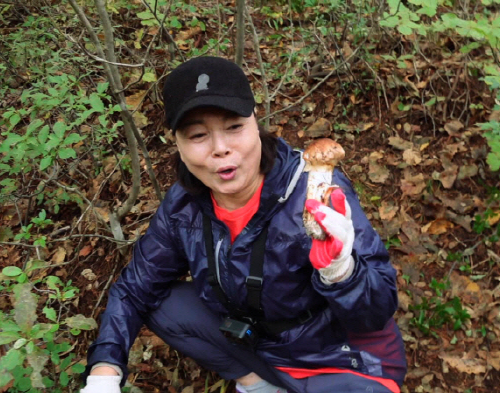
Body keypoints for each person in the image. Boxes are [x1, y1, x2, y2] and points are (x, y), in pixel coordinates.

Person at [80, 56, 407, 393]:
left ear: (255, 122)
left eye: (234, 127)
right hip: (262, 346)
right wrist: (103, 374)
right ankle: (258, 384)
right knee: (161, 302)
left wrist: (342, 272)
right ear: (176, 143)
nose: (221, 149)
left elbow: (376, 313)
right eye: (197, 135)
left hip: (334, 357)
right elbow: (135, 290)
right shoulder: (183, 207)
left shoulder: (316, 192)